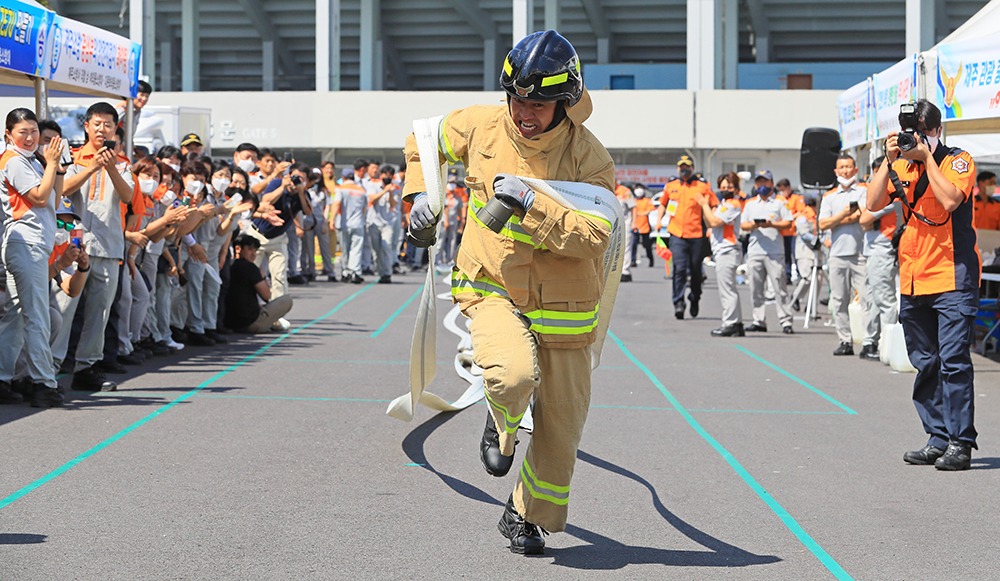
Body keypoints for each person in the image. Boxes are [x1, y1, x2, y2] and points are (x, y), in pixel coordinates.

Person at [403, 30, 614, 555]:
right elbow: (422, 143)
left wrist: (532, 205)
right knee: (513, 373)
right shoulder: (478, 126)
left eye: (538, 103)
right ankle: (501, 422)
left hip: (566, 309)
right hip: (490, 286)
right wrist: (419, 197)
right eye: (517, 98)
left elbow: (595, 237)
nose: (524, 112)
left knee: (562, 432)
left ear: (564, 101)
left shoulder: (591, 159)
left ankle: (525, 515)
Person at [868, 99, 980, 471]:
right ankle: (937, 437)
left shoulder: (957, 160)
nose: (914, 139)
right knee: (925, 363)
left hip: (951, 276)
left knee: (953, 362)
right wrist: (888, 160)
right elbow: (871, 203)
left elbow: (949, 200)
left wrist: (928, 157)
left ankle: (961, 443)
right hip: (913, 277)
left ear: (936, 132)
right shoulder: (901, 164)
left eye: (922, 132)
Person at [63, 102, 135, 392]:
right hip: (73, 246)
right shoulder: (73, 157)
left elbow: (128, 195)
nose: (102, 129)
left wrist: (111, 167)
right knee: (64, 309)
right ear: (87, 126)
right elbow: (64, 189)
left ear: (115, 128)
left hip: (108, 245)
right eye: (97, 123)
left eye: (108, 124)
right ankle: (47, 369)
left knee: (99, 312)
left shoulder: (124, 163)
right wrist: (92, 166)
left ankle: (86, 367)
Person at [0, 108, 65, 407]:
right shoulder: (13, 160)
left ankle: (3, 379)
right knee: (38, 315)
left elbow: (55, 197)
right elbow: (38, 197)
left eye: (34, 131)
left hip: (29, 244)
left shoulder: (30, 160)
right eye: (22, 132)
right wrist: (50, 163)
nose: (30, 137)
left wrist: (56, 168)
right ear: (8, 134)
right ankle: (43, 384)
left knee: (15, 316)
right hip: (25, 244)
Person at [818, 154, 870, 356]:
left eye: (848, 167)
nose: (845, 171)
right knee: (839, 300)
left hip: (860, 253)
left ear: (855, 170)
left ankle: (868, 340)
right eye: (842, 167)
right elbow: (822, 224)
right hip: (837, 254)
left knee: (866, 299)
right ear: (836, 171)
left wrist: (836, 220)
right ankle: (844, 340)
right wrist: (845, 215)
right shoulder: (829, 196)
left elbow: (865, 216)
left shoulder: (864, 190)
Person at [655, 155, 716, 319]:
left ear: (693, 168)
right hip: (677, 234)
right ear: (677, 168)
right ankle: (678, 303)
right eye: (681, 166)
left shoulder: (703, 186)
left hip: (696, 234)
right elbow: (663, 203)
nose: (684, 169)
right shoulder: (671, 186)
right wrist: (659, 220)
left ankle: (695, 297)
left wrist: (711, 226)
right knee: (679, 269)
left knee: (696, 271)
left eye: (687, 166)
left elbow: (714, 205)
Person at [246, 163, 313, 300]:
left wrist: (301, 192)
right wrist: (283, 187)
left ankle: (278, 312)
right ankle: (250, 307)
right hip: (258, 235)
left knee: (279, 275)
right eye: (296, 177)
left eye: (302, 179)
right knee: (250, 273)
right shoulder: (277, 183)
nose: (297, 181)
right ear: (288, 175)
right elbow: (265, 201)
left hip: (278, 238)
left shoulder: (303, 194)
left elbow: (308, 211)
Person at [740, 170, 794, 334]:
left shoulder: (780, 202)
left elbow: (788, 223)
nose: (762, 186)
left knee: (780, 287)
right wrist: (754, 226)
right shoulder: (750, 204)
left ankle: (785, 321)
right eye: (759, 182)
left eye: (766, 182)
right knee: (756, 288)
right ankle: (758, 320)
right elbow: (743, 225)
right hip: (755, 250)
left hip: (774, 251)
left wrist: (772, 225)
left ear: (772, 184)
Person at [858, 179, 902, 361]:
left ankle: (888, 346)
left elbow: (864, 219)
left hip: (883, 252)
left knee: (885, 300)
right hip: (874, 252)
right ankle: (871, 342)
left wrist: (864, 210)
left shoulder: (891, 199)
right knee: (873, 299)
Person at [700, 172, 744, 336]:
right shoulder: (723, 204)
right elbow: (708, 221)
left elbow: (714, 222)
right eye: (723, 186)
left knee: (727, 290)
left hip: (728, 249)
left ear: (736, 187)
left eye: (729, 186)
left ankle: (730, 323)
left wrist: (704, 205)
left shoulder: (733, 204)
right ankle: (737, 323)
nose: (726, 189)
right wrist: (708, 208)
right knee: (728, 288)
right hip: (721, 250)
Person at [225, 234, 293, 333]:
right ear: (238, 249)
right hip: (250, 323)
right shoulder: (250, 268)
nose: (253, 254)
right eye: (250, 249)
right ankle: (272, 323)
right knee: (287, 300)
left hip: (229, 322)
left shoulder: (228, 265)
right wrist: (262, 277)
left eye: (255, 251)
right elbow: (266, 295)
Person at [331, 168, 367, 284]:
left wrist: (332, 219)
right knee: (356, 248)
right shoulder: (361, 190)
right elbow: (364, 208)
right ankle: (355, 272)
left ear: (343, 178)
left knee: (345, 249)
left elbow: (337, 203)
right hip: (358, 223)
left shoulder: (340, 189)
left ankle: (346, 272)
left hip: (343, 223)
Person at [365, 165, 398, 284]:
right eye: (385, 175)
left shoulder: (395, 187)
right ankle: (381, 273)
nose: (387, 178)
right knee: (377, 250)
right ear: (381, 175)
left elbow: (394, 204)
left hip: (388, 223)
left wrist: (390, 193)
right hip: (373, 222)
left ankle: (388, 273)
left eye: (389, 176)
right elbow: (372, 199)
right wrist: (384, 190)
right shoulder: (373, 185)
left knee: (386, 246)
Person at [776, 178, 804, 283]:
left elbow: (801, 211)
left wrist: (790, 217)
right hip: (782, 231)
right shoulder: (779, 199)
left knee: (795, 254)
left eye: (783, 189)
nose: (781, 192)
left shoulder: (796, 198)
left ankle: (800, 274)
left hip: (793, 231)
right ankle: (787, 276)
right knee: (785, 255)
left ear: (788, 188)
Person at [631, 185, 655, 267]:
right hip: (635, 226)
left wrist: (640, 214)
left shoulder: (647, 200)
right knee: (633, 244)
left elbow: (649, 210)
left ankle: (651, 259)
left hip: (645, 227)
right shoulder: (633, 200)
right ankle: (633, 260)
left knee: (647, 245)